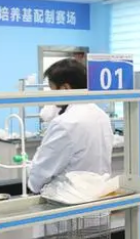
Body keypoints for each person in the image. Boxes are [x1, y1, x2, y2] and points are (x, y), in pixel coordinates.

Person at [28, 59, 113, 193]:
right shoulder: (101, 115)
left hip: (71, 198)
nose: (51, 95)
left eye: (52, 89)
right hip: (100, 194)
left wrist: (32, 180)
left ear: (65, 88)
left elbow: (39, 176)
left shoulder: (65, 123)